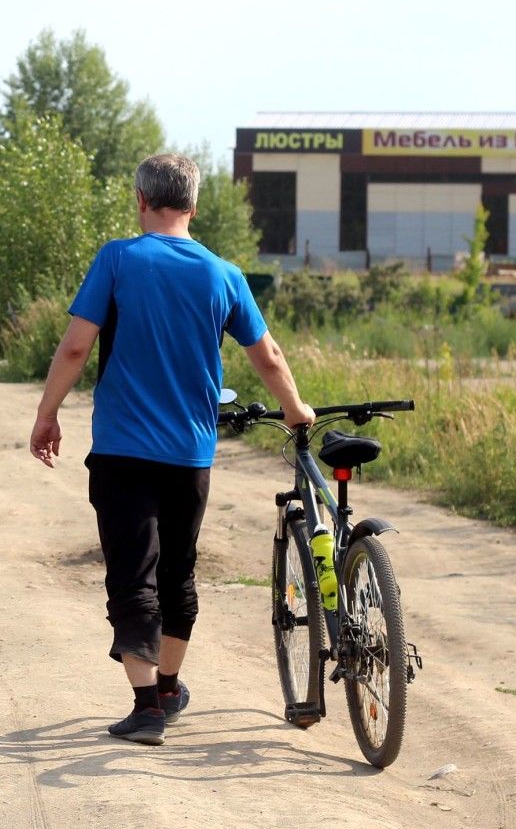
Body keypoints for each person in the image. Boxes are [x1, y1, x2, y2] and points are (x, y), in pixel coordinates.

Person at [28, 153, 314, 745]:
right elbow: (268, 356)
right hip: (191, 454)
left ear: (139, 199)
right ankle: (165, 689)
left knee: (134, 575)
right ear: (194, 204)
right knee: (179, 573)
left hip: (123, 451)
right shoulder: (222, 274)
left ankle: (146, 706)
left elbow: (77, 349)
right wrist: (295, 410)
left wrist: (47, 412)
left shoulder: (118, 259)